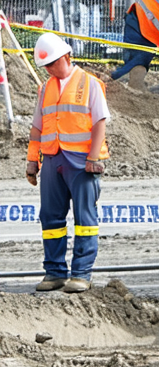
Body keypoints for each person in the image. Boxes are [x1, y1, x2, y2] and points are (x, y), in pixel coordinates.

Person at [25, 33, 110, 294]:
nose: (50, 69)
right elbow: (37, 129)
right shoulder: (45, 88)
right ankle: (54, 273)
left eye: (53, 63)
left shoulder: (89, 83)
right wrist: (32, 162)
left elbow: (99, 122)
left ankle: (81, 274)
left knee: (85, 219)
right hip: (52, 159)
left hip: (81, 161)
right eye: (46, 66)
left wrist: (93, 157)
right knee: (50, 217)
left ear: (66, 56)